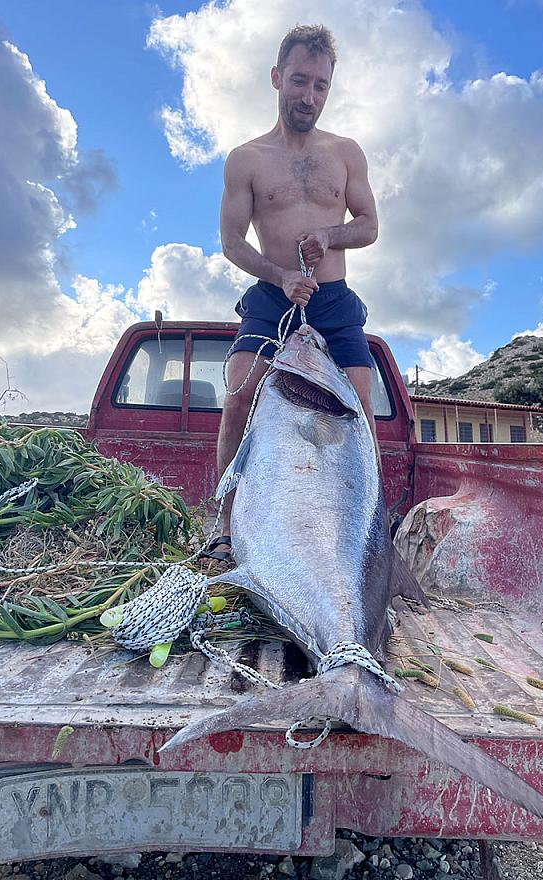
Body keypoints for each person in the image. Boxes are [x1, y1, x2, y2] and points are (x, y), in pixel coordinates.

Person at [202, 24, 379, 564]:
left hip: (333, 300)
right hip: (272, 296)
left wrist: (330, 235)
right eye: (299, 81)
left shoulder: (346, 153)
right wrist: (279, 275)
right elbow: (231, 240)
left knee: (361, 410)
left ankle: (364, 538)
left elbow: (369, 225)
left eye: (321, 86)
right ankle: (224, 525)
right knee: (237, 399)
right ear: (277, 77)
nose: (309, 96)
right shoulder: (247, 159)